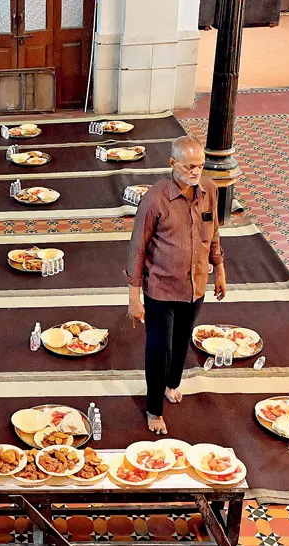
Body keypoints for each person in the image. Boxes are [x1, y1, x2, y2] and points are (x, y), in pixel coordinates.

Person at [126, 136, 226, 435]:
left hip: (195, 285)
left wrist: (219, 268)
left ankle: (172, 383)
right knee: (159, 347)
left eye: (200, 166)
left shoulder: (209, 190)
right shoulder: (156, 198)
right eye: (189, 166)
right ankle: (154, 408)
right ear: (172, 164)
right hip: (161, 288)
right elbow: (137, 248)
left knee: (182, 340)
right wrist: (134, 298)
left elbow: (214, 231)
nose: (196, 172)